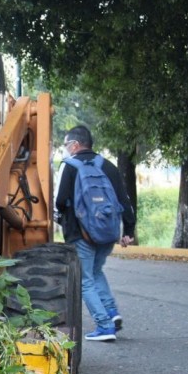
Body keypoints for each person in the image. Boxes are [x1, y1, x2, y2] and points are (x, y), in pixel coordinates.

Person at [55, 125, 136, 342]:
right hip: (108, 231)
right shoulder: (107, 166)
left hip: (81, 233)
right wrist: (128, 230)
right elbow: (124, 200)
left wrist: (63, 219)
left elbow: (61, 201)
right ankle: (111, 312)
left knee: (85, 280)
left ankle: (104, 325)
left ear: (75, 145)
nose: (65, 149)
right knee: (96, 271)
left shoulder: (70, 167)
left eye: (66, 145)